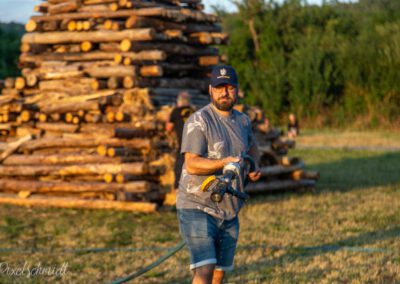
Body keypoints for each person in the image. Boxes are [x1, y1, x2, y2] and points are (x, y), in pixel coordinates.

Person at [177, 65, 261, 284]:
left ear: (237, 90)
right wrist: (223, 162)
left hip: (229, 210)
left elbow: (253, 146)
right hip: (197, 205)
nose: (225, 92)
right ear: (210, 90)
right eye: (219, 87)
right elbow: (192, 164)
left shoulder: (243, 121)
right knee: (205, 269)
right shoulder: (199, 121)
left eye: (230, 87)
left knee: (219, 272)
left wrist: (254, 166)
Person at [166, 91, 195, 191]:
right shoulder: (193, 111)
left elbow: (169, 128)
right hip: (196, 142)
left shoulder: (176, 111)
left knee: (179, 165)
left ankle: (178, 187)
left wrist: (167, 118)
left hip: (184, 142)